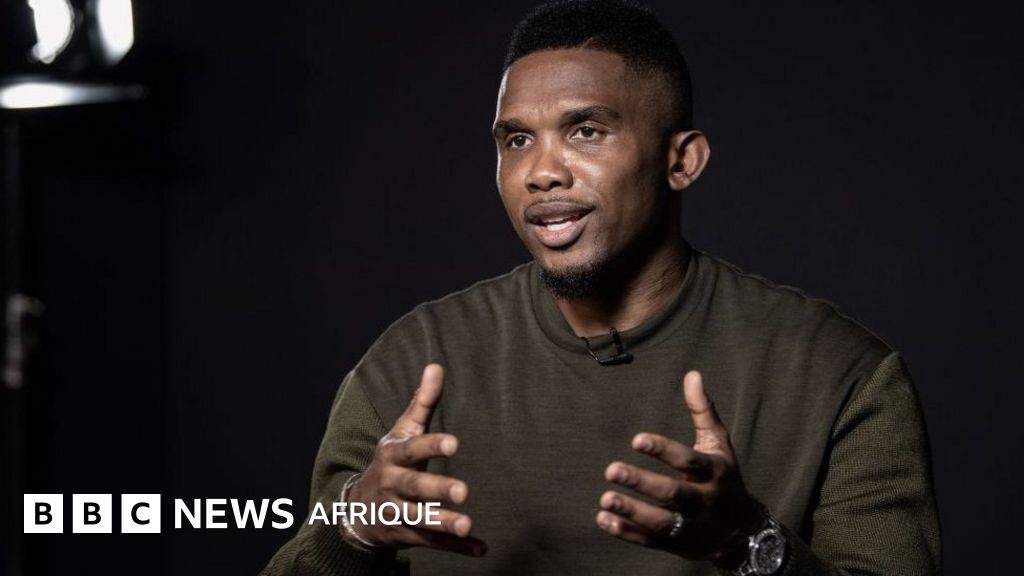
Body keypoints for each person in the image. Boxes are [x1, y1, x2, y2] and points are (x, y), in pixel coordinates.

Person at [262, 1, 941, 574]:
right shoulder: (410, 363)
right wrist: (354, 531)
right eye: (517, 140)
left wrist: (747, 542)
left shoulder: (843, 376)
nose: (541, 172)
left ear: (681, 161)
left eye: (586, 131)